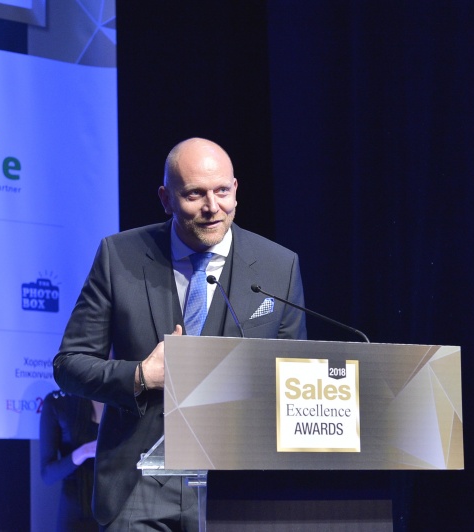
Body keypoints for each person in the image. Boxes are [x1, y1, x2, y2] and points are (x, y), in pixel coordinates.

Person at [53, 137, 307, 531]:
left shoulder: (278, 266)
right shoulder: (119, 257)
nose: (212, 207)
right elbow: (69, 365)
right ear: (166, 199)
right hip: (139, 484)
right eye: (194, 194)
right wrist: (141, 376)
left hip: (240, 486)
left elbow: (296, 378)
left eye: (221, 191)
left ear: (235, 190)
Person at [39, 389, 102, 531]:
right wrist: (84, 451)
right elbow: (47, 474)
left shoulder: (119, 398)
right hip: (75, 511)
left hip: (114, 507)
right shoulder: (57, 402)